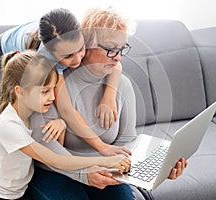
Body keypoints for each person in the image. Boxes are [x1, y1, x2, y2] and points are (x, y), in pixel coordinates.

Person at [28, 7, 188, 200]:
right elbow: (45, 149)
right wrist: (84, 173)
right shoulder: (51, 81)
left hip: (104, 169)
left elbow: (126, 142)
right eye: (111, 50)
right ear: (85, 45)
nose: (118, 57)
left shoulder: (122, 85)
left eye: (121, 49)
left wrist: (160, 169)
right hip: (55, 171)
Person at [0, 50, 131, 200]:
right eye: (45, 92)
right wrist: (105, 161)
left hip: (16, 194)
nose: (52, 97)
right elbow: (55, 160)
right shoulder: (8, 126)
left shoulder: (32, 116)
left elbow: (56, 144)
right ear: (20, 91)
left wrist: (62, 123)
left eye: (53, 89)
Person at [0, 8, 130, 157]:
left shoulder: (76, 38)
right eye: (68, 56)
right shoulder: (45, 59)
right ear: (50, 52)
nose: (77, 60)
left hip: (37, 34)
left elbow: (115, 64)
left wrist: (109, 96)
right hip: (1, 51)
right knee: (24, 107)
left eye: (81, 49)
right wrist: (102, 147)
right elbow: (66, 109)